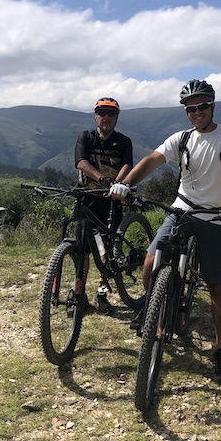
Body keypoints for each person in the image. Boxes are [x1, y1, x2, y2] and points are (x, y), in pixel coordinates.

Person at [109, 79, 221, 382]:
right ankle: (156, 306)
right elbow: (151, 160)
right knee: (151, 263)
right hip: (183, 209)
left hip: (217, 216)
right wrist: (126, 183)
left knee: (217, 288)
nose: (196, 112)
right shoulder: (182, 138)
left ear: (212, 106)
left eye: (201, 106)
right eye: (190, 108)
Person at [75, 97, 134, 315]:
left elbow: (128, 164)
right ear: (95, 117)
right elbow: (81, 162)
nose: (106, 117)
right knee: (82, 249)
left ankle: (102, 294)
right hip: (87, 198)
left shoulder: (124, 141)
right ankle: (79, 295)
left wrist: (117, 184)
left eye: (111, 114)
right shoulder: (86, 137)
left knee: (107, 249)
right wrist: (103, 179)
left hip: (111, 200)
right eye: (102, 113)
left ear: (117, 118)